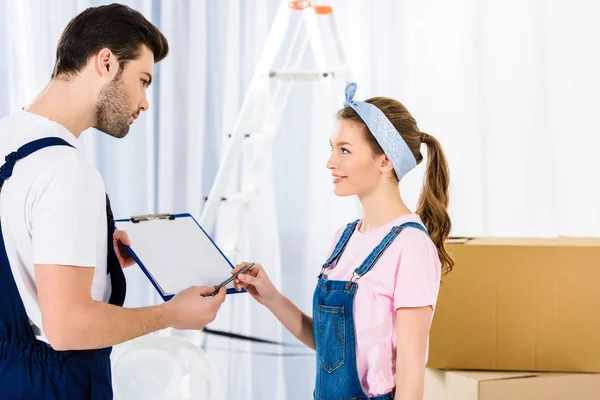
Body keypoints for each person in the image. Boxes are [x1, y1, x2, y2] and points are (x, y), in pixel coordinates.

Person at [0, 4, 226, 399]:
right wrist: (172, 315)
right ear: (105, 62)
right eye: (143, 80)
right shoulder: (67, 173)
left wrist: (96, 258)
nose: (144, 102)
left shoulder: (7, 138)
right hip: (56, 384)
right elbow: (68, 328)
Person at [231, 82, 454, 400]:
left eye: (345, 150)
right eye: (332, 148)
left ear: (385, 160)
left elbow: (411, 373)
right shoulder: (345, 238)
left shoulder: (411, 247)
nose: (330, 162)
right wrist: (270, 296)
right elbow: (327, 345)